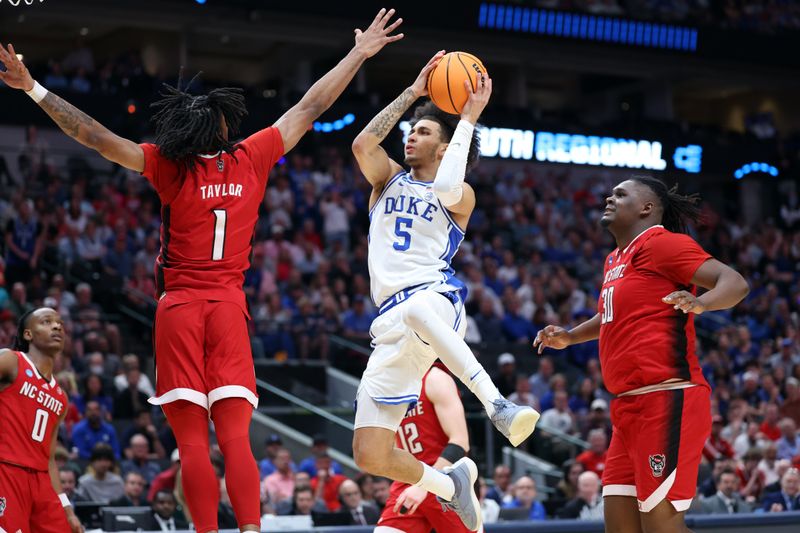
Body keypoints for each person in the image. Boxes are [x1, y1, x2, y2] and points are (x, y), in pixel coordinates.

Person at [0, 11, 402, 533]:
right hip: (230, 307)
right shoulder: (253, 156)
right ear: (225, 124)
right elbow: (312, 104)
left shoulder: (169, 165)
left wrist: (32, 88)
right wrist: (360, 53)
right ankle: (252, 528)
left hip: (179, 310)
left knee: (191, 441)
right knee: (235, 437)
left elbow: (97, 136)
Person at [350, 51, 538, 533]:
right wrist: (414, 92)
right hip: (389, 323)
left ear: (445, 145)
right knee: (370, 453)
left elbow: (451, 183)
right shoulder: (386, 180)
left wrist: (468, 117)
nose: (411, 134)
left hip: (435, 300)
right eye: (412, 130)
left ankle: (498, 404)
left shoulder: (461, 196)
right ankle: (450, 485)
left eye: (424, 131)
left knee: (416, 309)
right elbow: (362, 143)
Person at [534, 176, 749, 532]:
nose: (609, 197)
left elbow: (735, 283)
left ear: (647, 208)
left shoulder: (663, 244)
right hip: (627, 410)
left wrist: (700, 303)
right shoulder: (615, 259)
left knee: (661, 527)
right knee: (619, 527)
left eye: (621, 194)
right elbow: (611, 314)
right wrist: (571, 337)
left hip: (666, 400)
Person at [0, 307, 82, 532]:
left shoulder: (61, 396)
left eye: (60, 324)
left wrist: (68, 509)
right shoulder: (11, 361)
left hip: (41, 478)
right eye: (46, 322)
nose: (57, 326)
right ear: (28, 334)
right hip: (7, 470)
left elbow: (49, 459)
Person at [375, 366, 473, 533]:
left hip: (445, 483)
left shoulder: (435, 378)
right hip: (408, 481)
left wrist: (425, 485)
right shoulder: (390, 389)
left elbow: (460, 442)